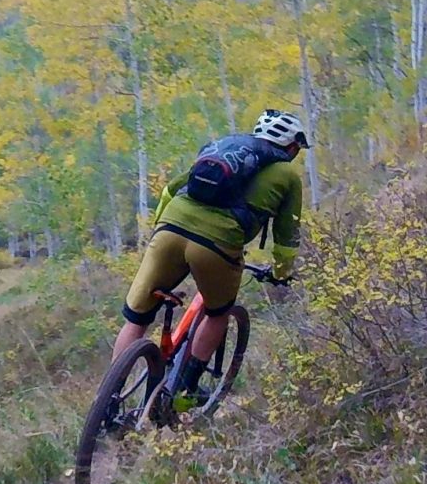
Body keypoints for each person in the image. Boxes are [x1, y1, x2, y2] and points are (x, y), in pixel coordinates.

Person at [113, 108, 307, 414]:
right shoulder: (287, 175)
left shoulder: (227, 147)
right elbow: (287, 234)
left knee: (136, 319)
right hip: (216, 245)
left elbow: (169, 190)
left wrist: (160, 231)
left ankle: (109, 401)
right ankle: (184, 392)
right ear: (292, 147)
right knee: (218, 313)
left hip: (169, 230)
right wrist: (281, 273)